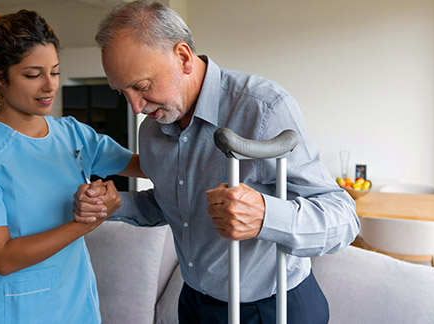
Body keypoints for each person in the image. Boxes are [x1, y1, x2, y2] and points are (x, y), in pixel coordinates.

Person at [73, 1, 360, 323]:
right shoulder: (153, 130)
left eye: (141, 87)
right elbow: (173, 206)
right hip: (196, 303)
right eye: (122, 93)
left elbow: (343, 217)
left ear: (182, 57)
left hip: (273, 306)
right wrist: (117, 205)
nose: (136, 107)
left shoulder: (263, 107)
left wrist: (266, 216)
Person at [0, 10, 142, 324]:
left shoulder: (72, 134)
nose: (50, 86)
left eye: (55, 72)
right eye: (33, 75)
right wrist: (87, 222)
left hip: (76, 298)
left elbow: (142, 165)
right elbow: (3, 258)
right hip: (11, 307)